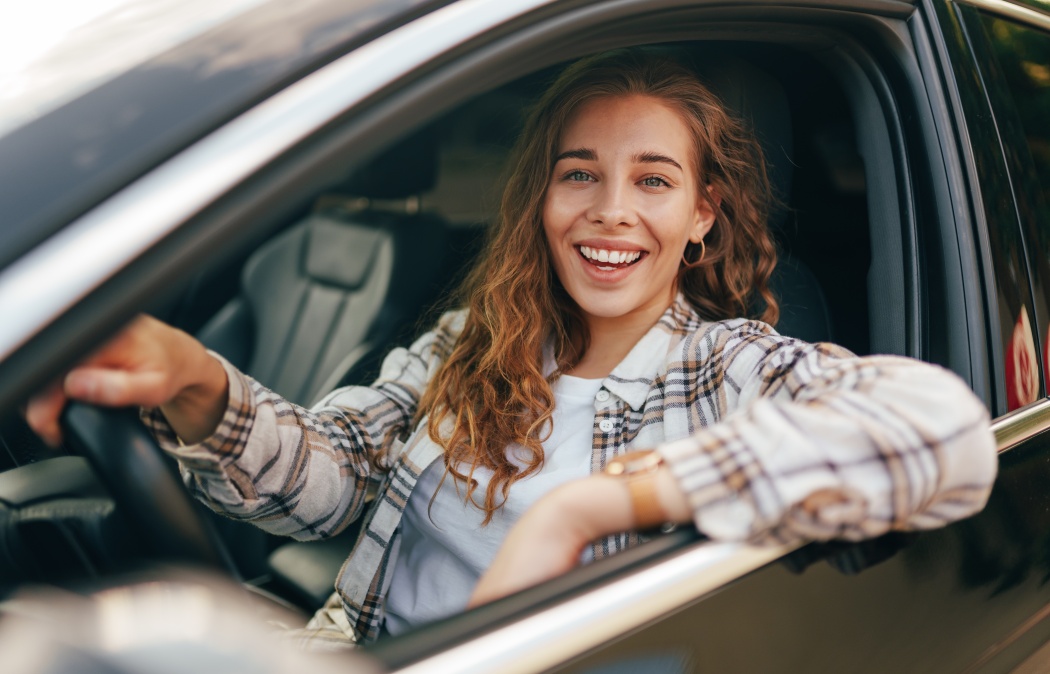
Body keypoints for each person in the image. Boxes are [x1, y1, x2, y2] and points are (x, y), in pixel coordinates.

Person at [25, 50, 997, 648]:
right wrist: (194, 377)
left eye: (653, 182)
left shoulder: (730, 367)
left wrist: (588, 506)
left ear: (704, 215)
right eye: (580, 175)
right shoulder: (473, 341)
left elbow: (948, 429)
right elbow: (323, 483)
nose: (611, 211)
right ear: (542, 197)